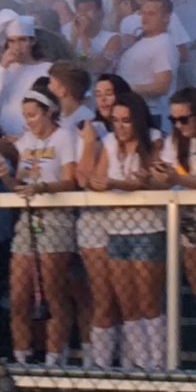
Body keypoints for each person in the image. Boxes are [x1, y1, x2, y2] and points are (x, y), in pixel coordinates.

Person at [81, 92, 166, 370]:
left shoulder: (153, 137)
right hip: (115, 229)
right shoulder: (107, 141)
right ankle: (141, 363)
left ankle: (159, 363)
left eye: (126, 121)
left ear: (137, 120)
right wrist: (106, 181)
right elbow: (95, 179)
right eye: (116, 120)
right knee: (127, 303)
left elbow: (148, 180)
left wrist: (115, 183)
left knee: (148, 301)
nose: (120, 126)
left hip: (147, 226)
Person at [0, 87, 78, 364]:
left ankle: (55, 358)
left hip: (55, 219)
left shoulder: (65, 137)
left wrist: (43, 187)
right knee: (19, 294)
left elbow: (71, 180)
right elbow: (19, 185)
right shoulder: (26, 142)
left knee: (54, 293)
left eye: (32, 115)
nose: (28, 121)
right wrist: (6, 177)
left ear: (48, 112)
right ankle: (21, 357)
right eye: (25, 116)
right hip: (27, 221)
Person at [153, 88, 196, 298]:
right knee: (192, 271)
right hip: (189, 218)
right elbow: (166, 178)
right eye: (173, 119)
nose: (178, 125)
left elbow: (178, 178)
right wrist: (153, 177)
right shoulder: (174, 140)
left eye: (184, 119)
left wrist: (177, 179)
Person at [0, 13, 52, 138]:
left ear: (32, 41)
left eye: (22, 40)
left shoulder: (47, 68)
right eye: (12, 41)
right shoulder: (4, 70)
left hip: (35, 138)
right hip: (6, 139)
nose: (17, 47)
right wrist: (2, 67)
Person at [117, 0, 180, 130]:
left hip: (150, 115)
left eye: (151, 14)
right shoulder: (143, 41)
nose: (145, 18)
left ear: (166, 18)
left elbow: (161, 87)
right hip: (132, 112)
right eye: (143, 13)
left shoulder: (163, 43)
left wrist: (124, 89)